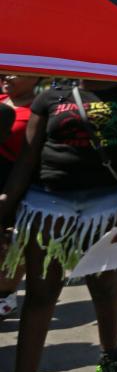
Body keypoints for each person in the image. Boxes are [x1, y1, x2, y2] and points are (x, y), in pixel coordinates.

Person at [0, 79, 117, 372]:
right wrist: (5, 205)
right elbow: (27, 159)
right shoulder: (50, 97)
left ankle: (110, 360)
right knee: (40, 295)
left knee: (104, 286)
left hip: (106, 202)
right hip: (47, 200)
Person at [0, 74, 40, 317]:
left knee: (10, 246)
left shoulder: (38, 111)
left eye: (15, 73)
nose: (6, 75)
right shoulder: (2, 99)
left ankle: (6, 295)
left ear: (36, 77)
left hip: (15, 185)